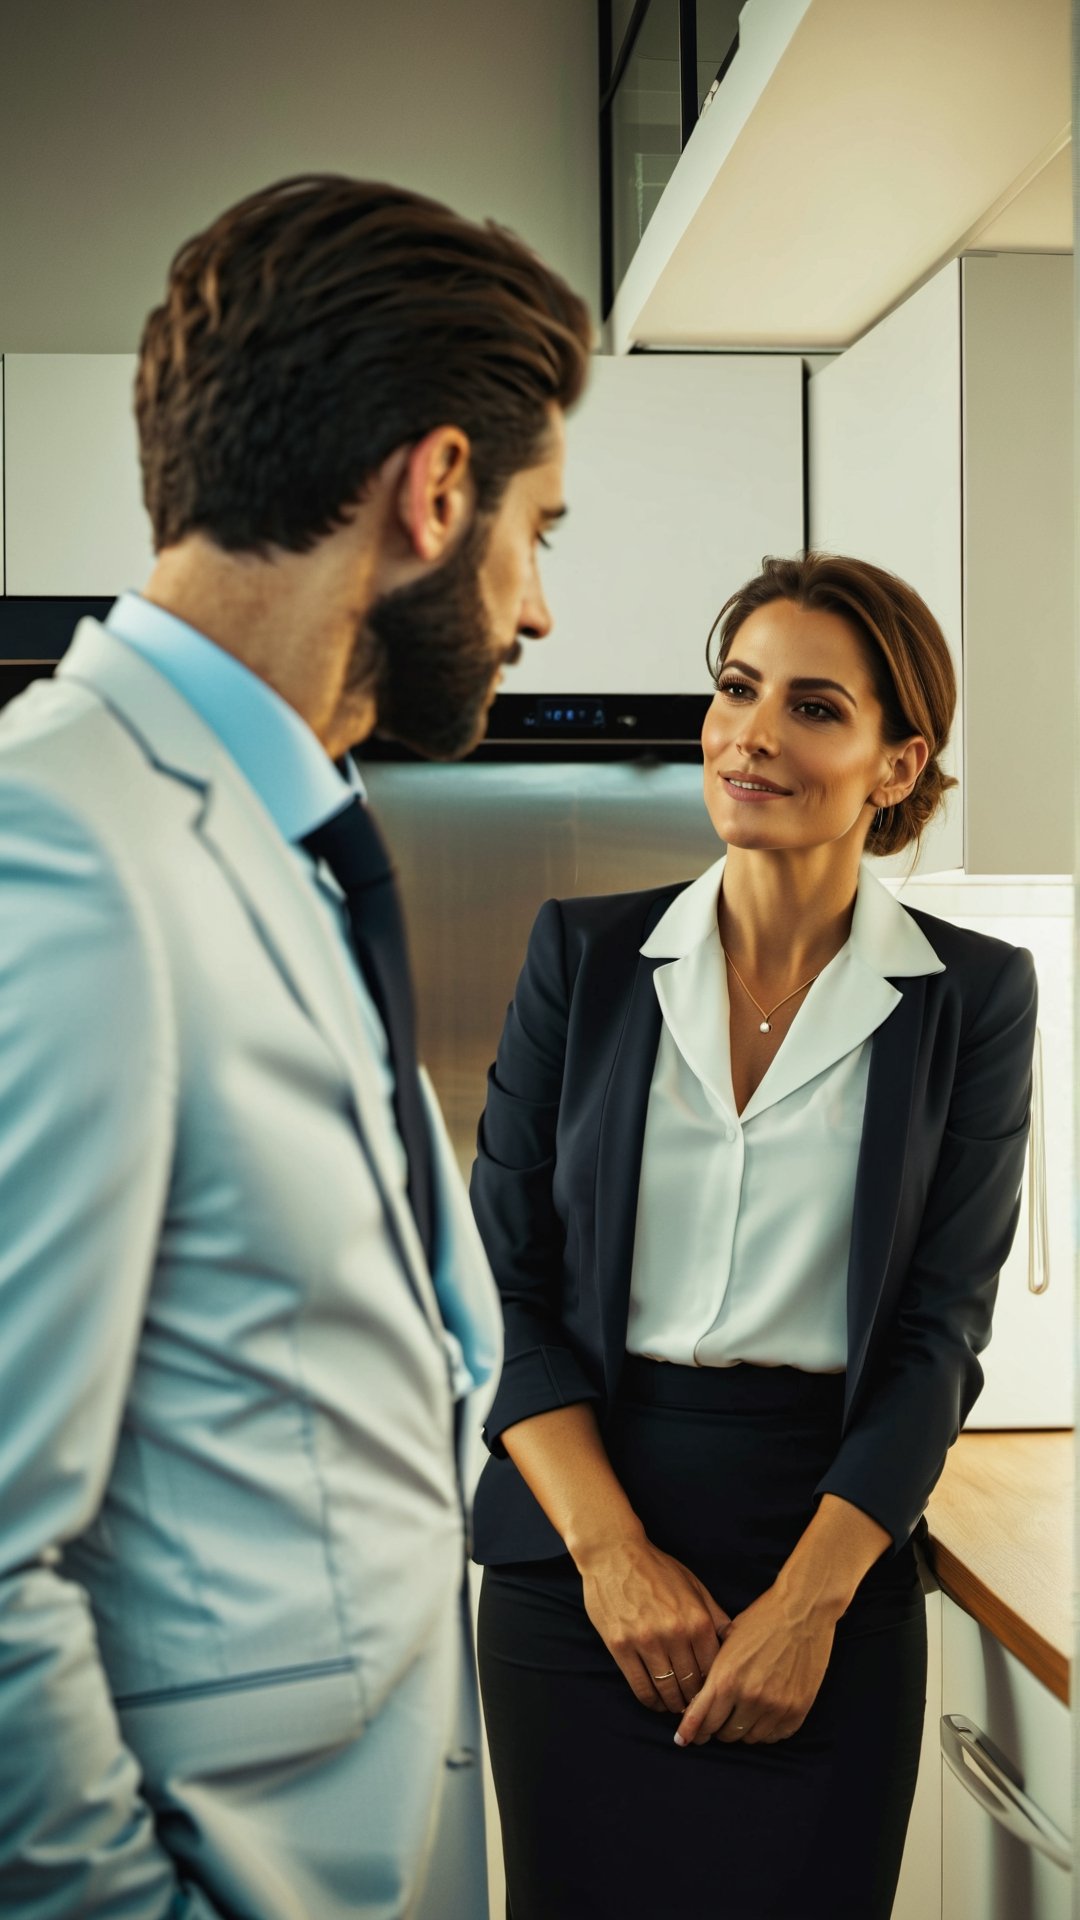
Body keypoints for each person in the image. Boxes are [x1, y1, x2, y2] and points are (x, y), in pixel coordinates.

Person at [0, 174, 590, 1919]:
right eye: (539, 532)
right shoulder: (63, 847)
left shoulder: (286, 837)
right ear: (435, 489)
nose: (540, 609)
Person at [471, 551, 1038, 1920]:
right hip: (579, 1548)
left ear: (898, 766)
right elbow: (498, 1279)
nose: (754, 734)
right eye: (737, 689)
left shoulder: (973, 998)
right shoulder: (585, 958)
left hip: (826, 1550)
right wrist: (612, 1556)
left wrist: (806, 1609)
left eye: (815, 707)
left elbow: (936, 1335)